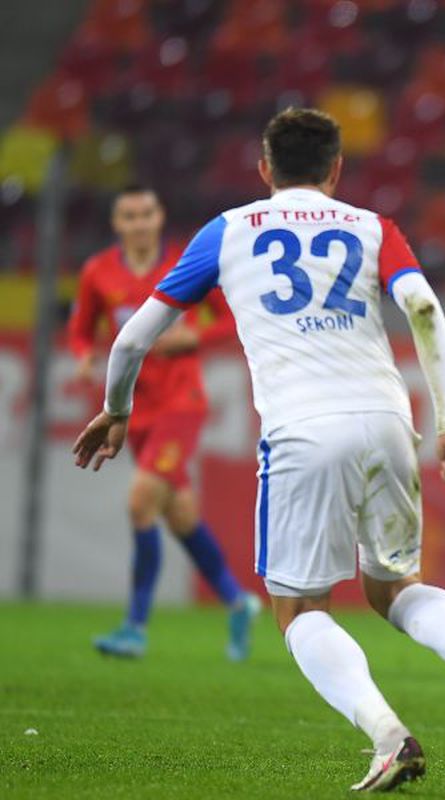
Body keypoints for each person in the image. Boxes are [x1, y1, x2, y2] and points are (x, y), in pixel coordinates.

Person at [73, 108, 445, 791]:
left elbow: (130, 341)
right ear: (337, 170)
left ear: (264, 170)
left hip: (302, 428)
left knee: (299, 609)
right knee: (395, 589)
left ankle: (389, 735)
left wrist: (116, 410)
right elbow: (422, 309)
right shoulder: (370, 226)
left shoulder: (228, 230)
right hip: (387, 418)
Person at [67, 184, 260, 661]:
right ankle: (238, 602)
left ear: (159, 217)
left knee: (140, 503)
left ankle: (134, 626)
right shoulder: (98, 273)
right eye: (128, 215)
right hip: (135, 408)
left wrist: (191, 337)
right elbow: (81, 329)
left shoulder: (186, 264)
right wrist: (84, 356)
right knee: (179, 515)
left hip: (182, 402)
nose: (138, 223)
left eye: (146, 214)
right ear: (117, 224)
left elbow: (230, 319)